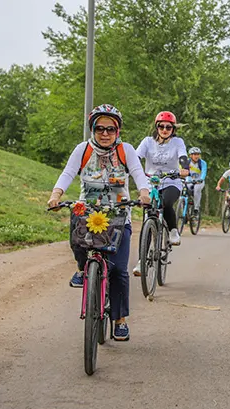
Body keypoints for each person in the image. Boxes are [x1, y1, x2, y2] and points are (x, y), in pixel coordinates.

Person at [47, 104, 150, 341]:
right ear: (92, 129)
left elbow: (137, 172)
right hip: (88, 211)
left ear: (118, 130)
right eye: (100, 128)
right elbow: (68, 172)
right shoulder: (83, 149)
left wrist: (144, 192)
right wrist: (56, 195)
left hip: (118, 214)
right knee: (76, 236)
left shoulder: (126, 150)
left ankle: (120, 320)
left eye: (110, 129)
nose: (105, 133)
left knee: (119, 272)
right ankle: (83, 268)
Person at [132, 111, 189, 276]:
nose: (165, 129)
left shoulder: (177, 142)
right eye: (161, 126)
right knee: (148, 217)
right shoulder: (147, 142)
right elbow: (136, 157)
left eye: (168, 127)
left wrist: (184, 168)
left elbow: (183, 156)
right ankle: (142, 260)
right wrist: (129, 168)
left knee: (166, 202)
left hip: (172, 181)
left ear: (173, 129)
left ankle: (172, 231)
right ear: (156, 127)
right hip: (150, 183)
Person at [186, 147, 207, 214]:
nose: (196, 156)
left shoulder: (203, 163)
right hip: (189, 180)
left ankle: (196, 208)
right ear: (191, 155)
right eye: (195, 154)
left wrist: (201, 179)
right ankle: (184, 207)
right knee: (183, 189)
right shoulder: (187, 162)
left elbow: (204, 172)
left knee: (197, 189)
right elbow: (183, 171)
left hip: (199, 181)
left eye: (198, 154)